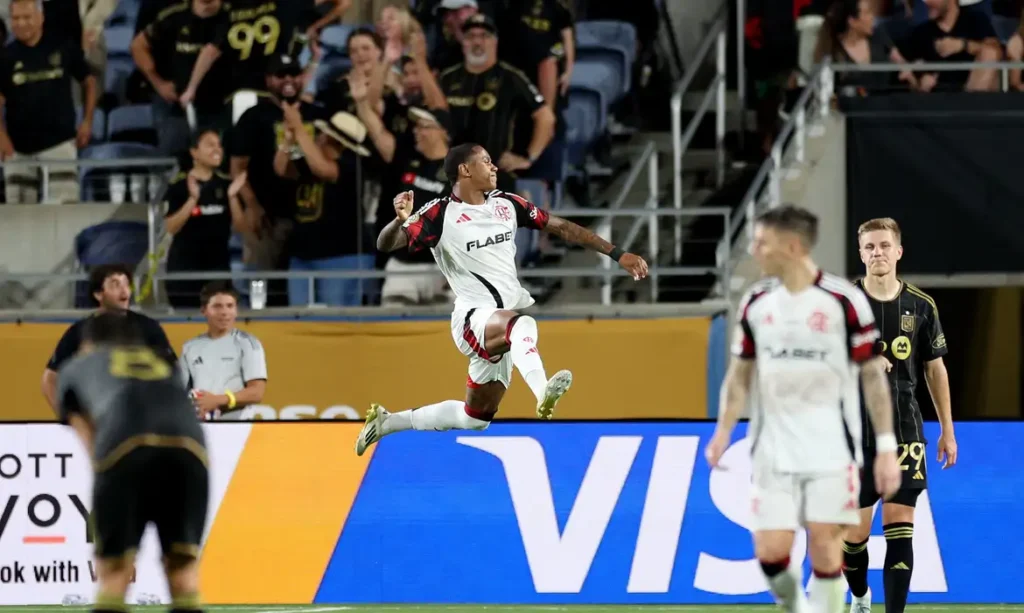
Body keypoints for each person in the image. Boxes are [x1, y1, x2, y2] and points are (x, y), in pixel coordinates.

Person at [354, 143, 648, 455]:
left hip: (499, 325)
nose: (494, 167)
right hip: (472, 318)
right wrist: (399, 220)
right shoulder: (439, 214)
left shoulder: (507, 203)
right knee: (522, 325)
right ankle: (542, 391)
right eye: (486, 161)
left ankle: (388, 422)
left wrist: (617, 254)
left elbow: (562, 227)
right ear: (465, 170)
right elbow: (385, 244)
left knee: (475, 419)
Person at [704, 205, 901, 613]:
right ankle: (797, 606)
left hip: (831, 451)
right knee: (770, 552)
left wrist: (885, 447)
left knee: (826, 548)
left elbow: (872, 379)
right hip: (772, 450)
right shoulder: (756, 301)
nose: (754, 250)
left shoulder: (844, 301)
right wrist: (722, 432)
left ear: (792, 247)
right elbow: (739, 376)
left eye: (762, 242)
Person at [55, 313, 208, 613]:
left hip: (124, 444)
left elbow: (90, 439)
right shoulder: (163, 363)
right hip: (190, 448)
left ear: (89, 342)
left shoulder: (78, 365)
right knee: (182, 569)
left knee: (114, 571)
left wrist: (106, 486)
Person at [844, 217, 957, 613]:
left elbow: (935, 369)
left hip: (905, 430)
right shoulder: (843, 304)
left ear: (898, 251)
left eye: (884, 245)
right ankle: (860, 595)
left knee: (900, 531)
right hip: (855, 435)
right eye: (870, 247)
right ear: (861, 254)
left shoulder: (921, 306)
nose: (877, 252)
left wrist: (947, 430)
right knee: (853, 540)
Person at [438, 13, 555, 192]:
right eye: (471, 36)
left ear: (495, 41)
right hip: (451, 175)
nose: (477, 42)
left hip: (493, 177)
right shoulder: (447, 78)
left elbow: (545, 117)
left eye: (484, 36)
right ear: (463, 42)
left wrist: (528, 158)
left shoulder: (511, 77)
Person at [41, 265, 177, 414]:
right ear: (98, 294)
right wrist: (69, 417)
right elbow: (50, 378)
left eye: (126, 284)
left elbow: (173, 370)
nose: (124, 291)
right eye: (115, 285)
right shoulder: (79, 331)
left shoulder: (149, 327)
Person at [273, 106, 374, 306]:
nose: (317, 138)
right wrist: (288, 140)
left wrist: (299, 128)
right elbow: (281, 168)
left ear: (329, 139)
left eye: (321, 134)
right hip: (302, 256)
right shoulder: (308, 164)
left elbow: (324, 170)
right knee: (298, 315)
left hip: (341, 257)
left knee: (336, 319)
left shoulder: (351, 166)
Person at [0, 0, 98, 204]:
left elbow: (89, 82)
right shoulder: (5, 57)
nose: (21, 23)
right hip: (19, 150)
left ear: (41, 17)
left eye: (27, 17)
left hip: (60, 145)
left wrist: (87, 121)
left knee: (64, 210)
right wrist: (2, 137)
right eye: (16, 18)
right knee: (18, 214)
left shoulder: (63, 46)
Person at [164, 130, 249, 309]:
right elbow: (171, 227)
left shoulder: (226, 185)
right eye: (210, 145)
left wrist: (233, 196)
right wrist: (193, 199)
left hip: (217, 269)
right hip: (184, 270)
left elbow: (241, 228)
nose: (217, 149)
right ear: (194, 152)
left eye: (219, 145)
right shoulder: (179, 186)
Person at [180, 282, 268, 420]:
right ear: (204, 310)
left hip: (238, 425)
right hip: (201, 425)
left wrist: (218, 400)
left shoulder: (248, 343)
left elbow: (257, 392)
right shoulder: (190, 347)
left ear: (236, 310)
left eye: (230, 306)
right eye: (217, 306)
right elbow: (179, 391)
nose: (224, 312)